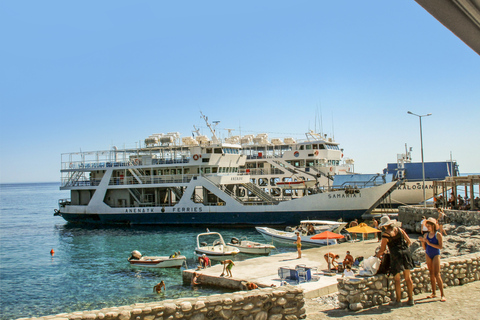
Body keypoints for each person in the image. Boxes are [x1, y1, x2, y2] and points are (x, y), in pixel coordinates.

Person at [375, 215, 415, 307]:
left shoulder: (385, 235)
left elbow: (382, 250)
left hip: (396, 256)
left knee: (397, 279)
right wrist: (404, 249)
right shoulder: (399, 230)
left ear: (384, 225)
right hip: (405, 254)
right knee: (408, 278)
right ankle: (411, 299)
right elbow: (408, 241)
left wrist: (376, 256)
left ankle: (398, 300)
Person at [419, 217, 446, 302]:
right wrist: (423, 241)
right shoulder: (426, 235)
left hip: (435, 254)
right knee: (431, 273)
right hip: (428, 253)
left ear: (433, 226)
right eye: (427, 226)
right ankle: (433, 293)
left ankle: (442, 294)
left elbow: (440, 246)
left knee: (437, 274)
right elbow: (424, 248)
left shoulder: (438, 235)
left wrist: (429, 243)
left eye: (429, 225)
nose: (428, 227)